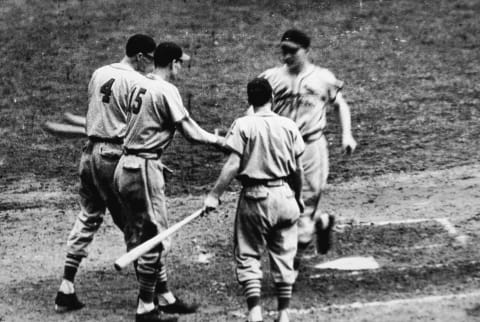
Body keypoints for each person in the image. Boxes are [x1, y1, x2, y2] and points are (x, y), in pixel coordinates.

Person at [113, 41, 224, 322]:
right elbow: (192, 133)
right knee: (156, 240)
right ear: (172, 62)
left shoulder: (139, 83)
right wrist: (220, 141)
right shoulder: (166, 90)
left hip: (124, 166)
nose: (181, 68)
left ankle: (163, 297)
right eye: (180, 63)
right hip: (144, 169)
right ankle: (146, 308)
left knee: (143, 234)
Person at [54, 34, 156, 313]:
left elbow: (95, 115)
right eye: (150, 60)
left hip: (89, 154)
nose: (151, 66)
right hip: (113, 157)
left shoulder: (100, 72)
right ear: (140, 57)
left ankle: (66, 286)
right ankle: (148, 298)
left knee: (89, 215)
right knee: (135, 222)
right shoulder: (137, 81)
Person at [204, 78, 305, 322]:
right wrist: (298, 198)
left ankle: (255, 311)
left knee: (248, 254)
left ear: (249, 100)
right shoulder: (289, 125)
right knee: (284, 254)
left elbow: (232, 165)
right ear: (272, 98)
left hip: (255, 198)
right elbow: (298, 170)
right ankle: (283, 314)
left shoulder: (243, 124)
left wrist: (214, 195)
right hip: (285, 196)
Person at [257, 28, 357, 274]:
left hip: (311, 148)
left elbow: (340, 105)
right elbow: (255, 109)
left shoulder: (323, 77)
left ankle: (293, 262)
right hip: (280, 148)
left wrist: (347, 134)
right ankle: (321, 222)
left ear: (306, 51)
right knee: (280, 201)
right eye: (283, 51)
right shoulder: (270, 78)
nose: (286, 57)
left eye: (292, 52)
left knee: (306, 202)